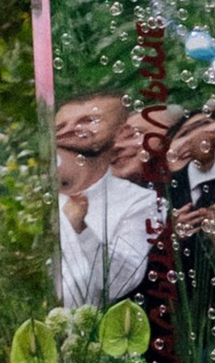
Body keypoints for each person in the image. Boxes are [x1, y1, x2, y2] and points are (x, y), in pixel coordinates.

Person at [53, 89, 163, 308]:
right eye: (60, 127)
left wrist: (82, 230)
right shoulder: (35, 195)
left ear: (122, 132)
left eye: (90, 120)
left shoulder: (140, 201)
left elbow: (120, 282)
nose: (71, 130)